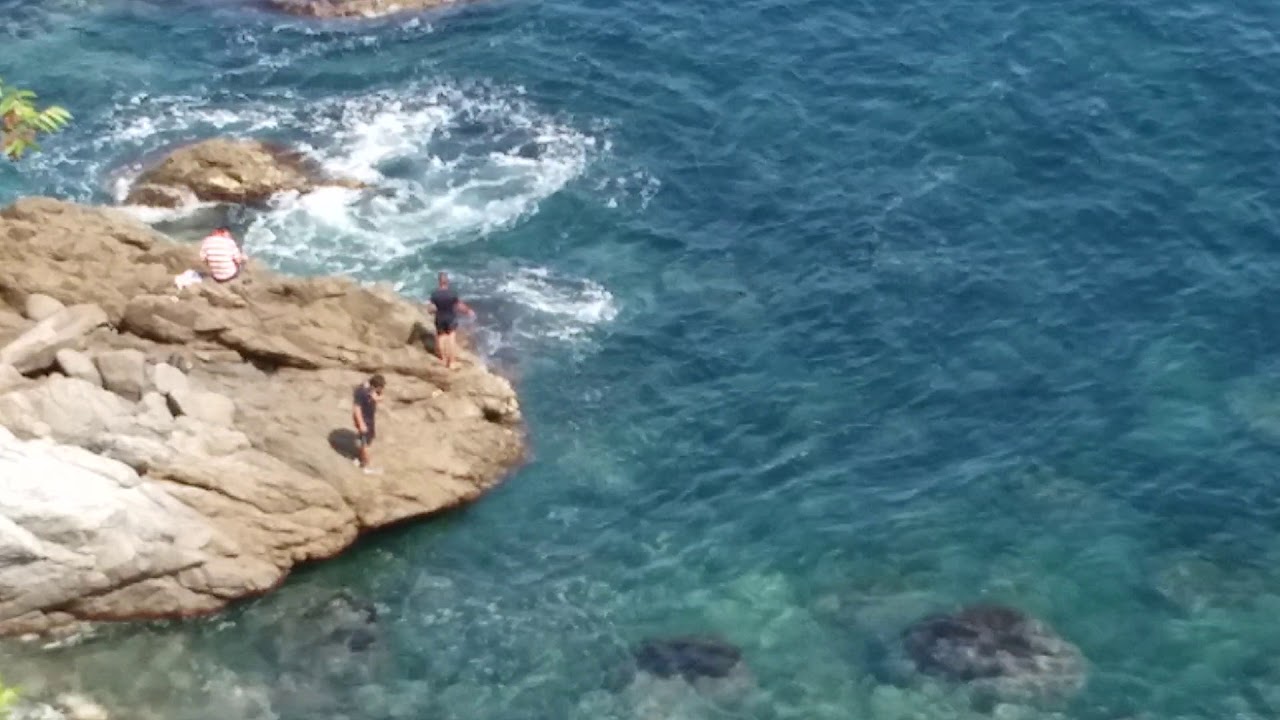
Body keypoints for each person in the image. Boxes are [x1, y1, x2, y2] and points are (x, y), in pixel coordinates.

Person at [428, 272, 474, 369]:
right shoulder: (452, 293)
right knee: (451, 339)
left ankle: (443, 359)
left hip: (439, 318)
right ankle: (451, 362)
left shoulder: (434, 294)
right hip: (450, 318)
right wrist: (468, 311)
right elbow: (459, 306)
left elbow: (431, 308)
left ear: (439, 282)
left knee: (441, 338)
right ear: (447, 282)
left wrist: (433, 310)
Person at [351, 374, 386, 474]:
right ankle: (367, 467)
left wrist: (376, 397)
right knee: (365, 444)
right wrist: (361, 424)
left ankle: (361, 460)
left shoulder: (371, 390)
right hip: (363, 419)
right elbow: (356, 409)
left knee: (367, 440)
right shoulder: (361, 391)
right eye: (380, 388)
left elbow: (380, 397)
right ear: (375, 386)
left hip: (369, 419)